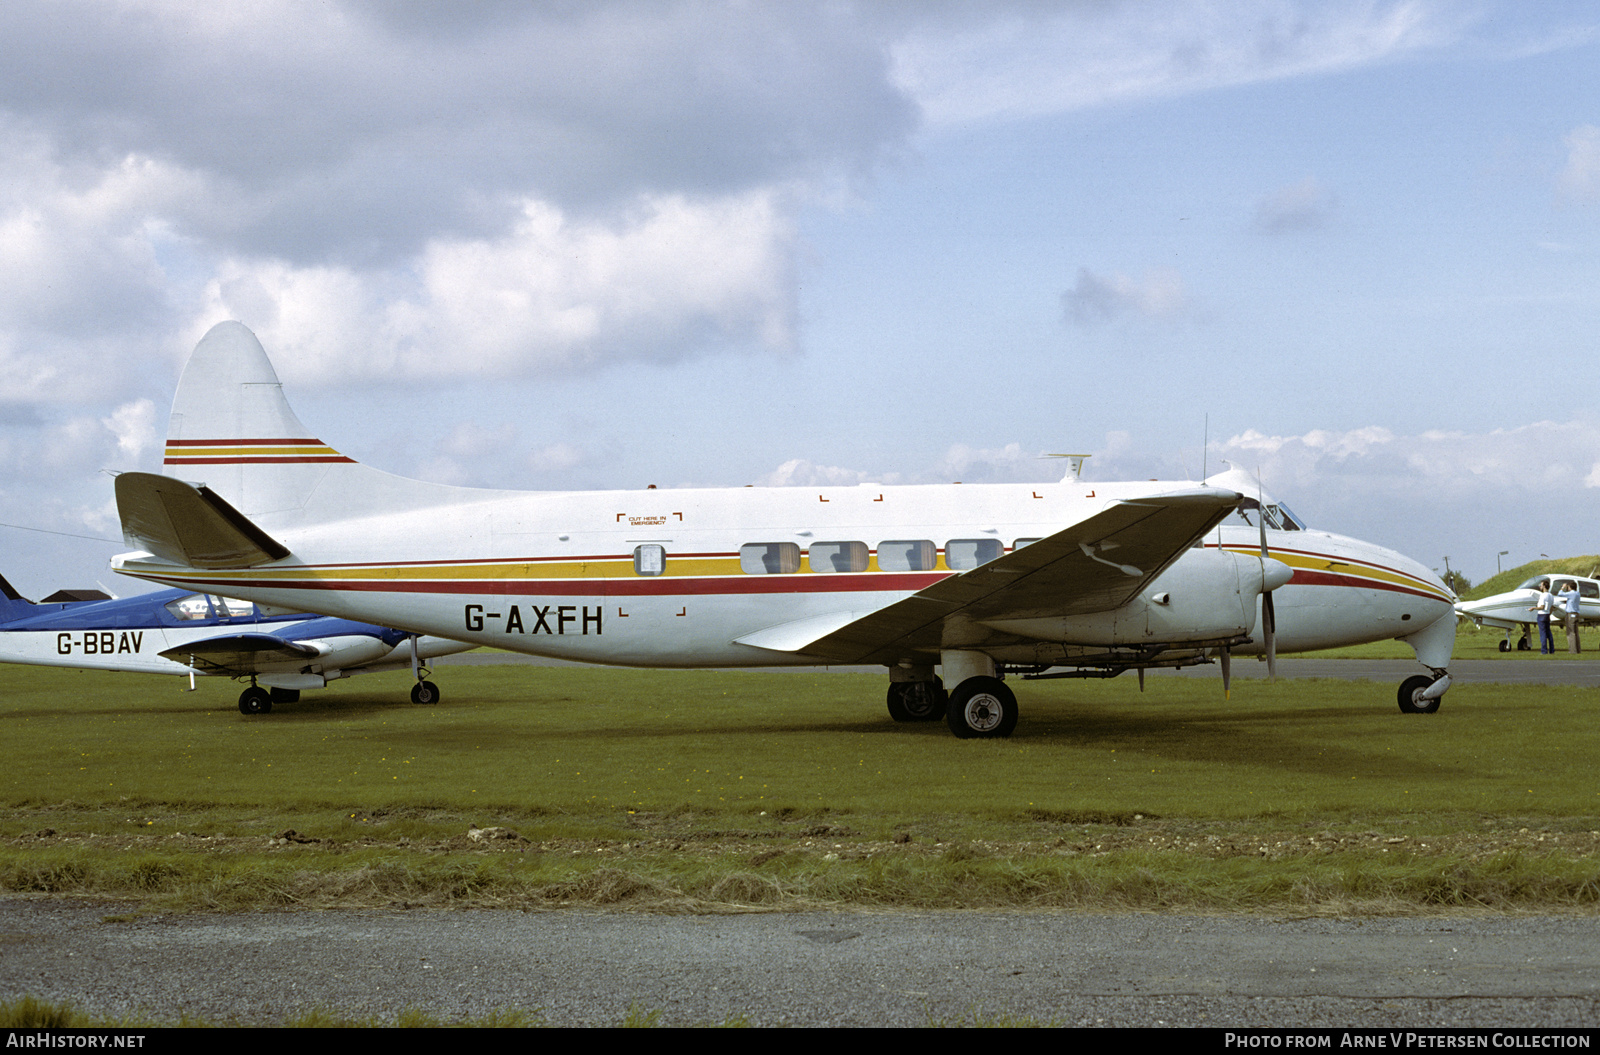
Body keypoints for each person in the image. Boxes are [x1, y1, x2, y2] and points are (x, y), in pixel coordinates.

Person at [1555, 580, 1583, 654]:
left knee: (1570, 633)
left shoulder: (1571, 593)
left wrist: (1562, 587)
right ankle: (1578, 649)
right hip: (1576, 614)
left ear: (1570, 587)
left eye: (1568, 587)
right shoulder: (1577, 593)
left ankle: (1572, 650)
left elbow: (1559, 594)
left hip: (1571, 614)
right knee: (1576, 632)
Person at [1530, 580, 1556, 655]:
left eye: (1541, 585)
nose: (1540, 587)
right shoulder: (1551, 595)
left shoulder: (1542, 595)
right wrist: (1549, 615)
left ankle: (1544, 651)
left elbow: (1541, 607)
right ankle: (1552, 650)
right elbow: (1551, 607)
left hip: (1541, 615)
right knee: (1549, 633)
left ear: (1544, 586)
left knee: (1543, 634)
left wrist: (1533, 608)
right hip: (1547, 615)